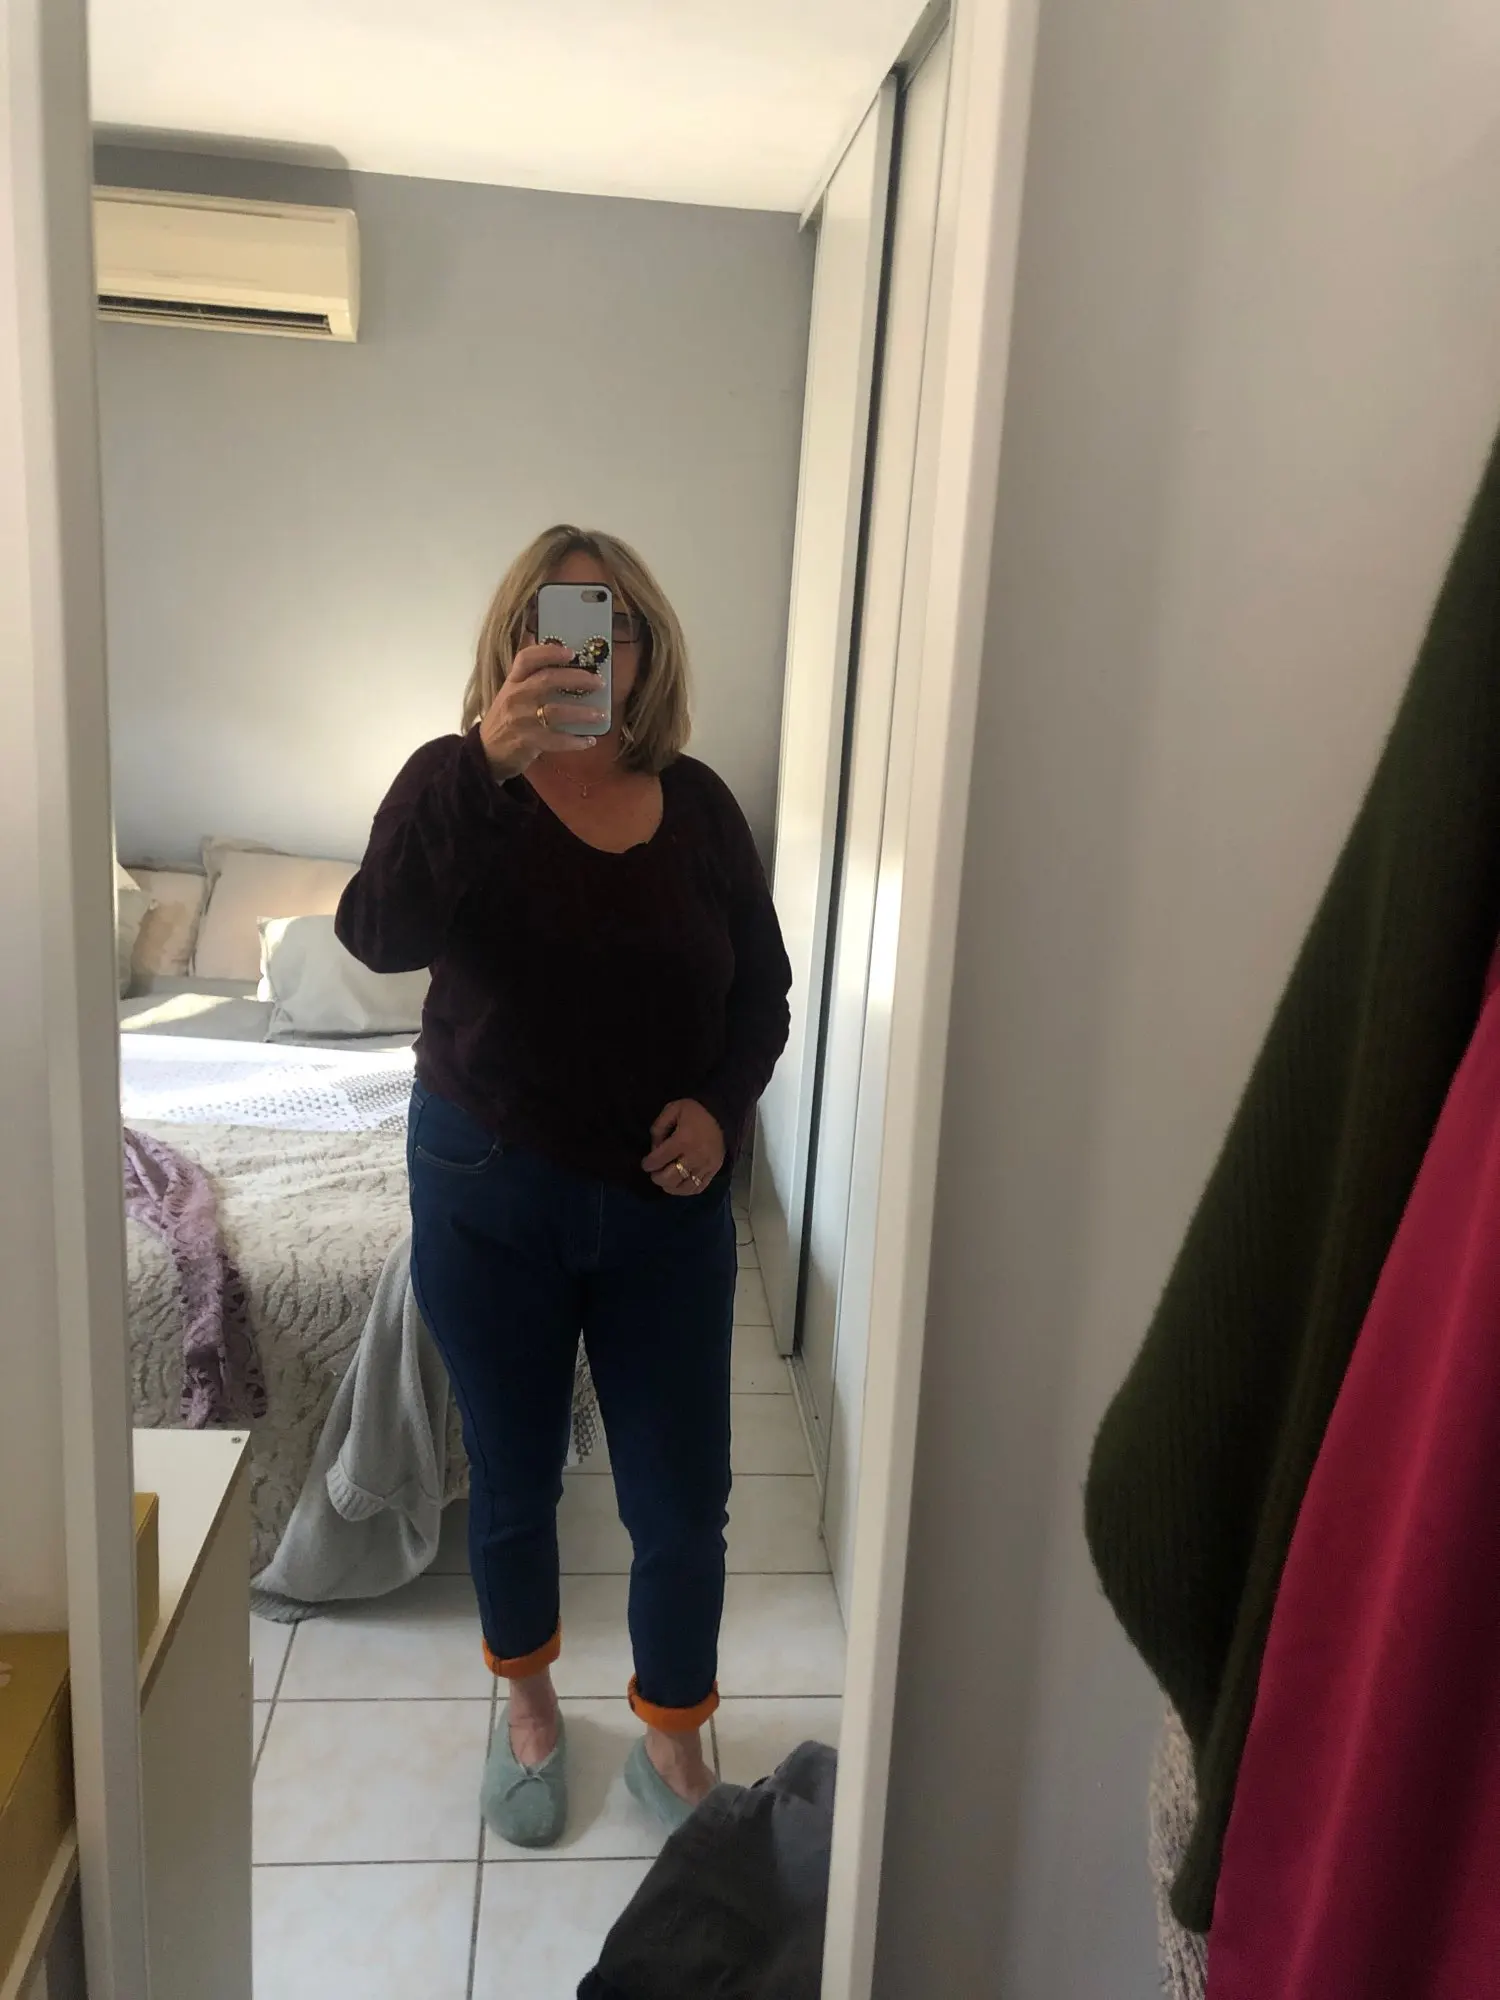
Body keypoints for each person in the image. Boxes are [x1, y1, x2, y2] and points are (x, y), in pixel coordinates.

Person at [336, 524, 792, 1850]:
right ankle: (530, 1710)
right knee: (515, 1470)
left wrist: (722, 1108)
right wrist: (482, 764)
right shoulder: (453, 785)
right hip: (488, 1186)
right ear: (510, 645)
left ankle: (672, 1735)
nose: (583, 650)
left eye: (608, 625)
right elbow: (376, 936)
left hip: (665, 1203)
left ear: (644, 650)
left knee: (682, 1494)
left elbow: (760, 993)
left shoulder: (700, 807)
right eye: (550, 625)